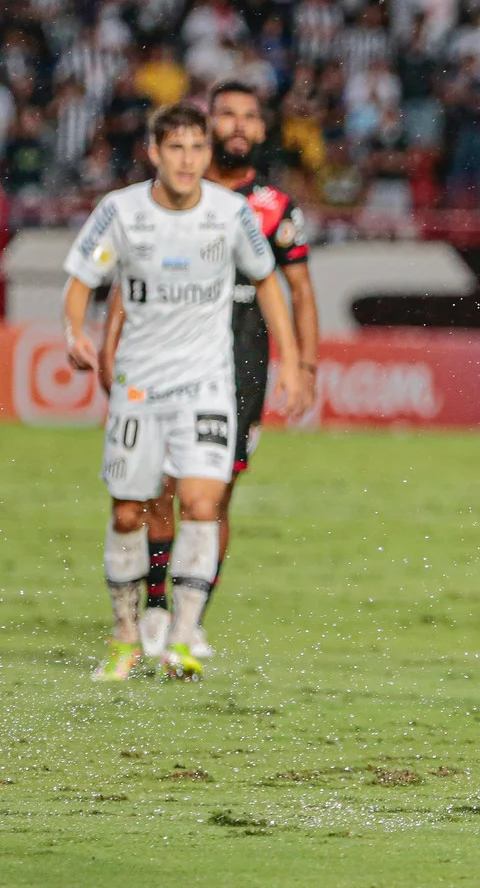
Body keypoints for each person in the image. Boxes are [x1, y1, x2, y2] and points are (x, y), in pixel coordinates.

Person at [61, 103, 310, 682]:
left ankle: (183, 636)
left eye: (196, 148)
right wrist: (76, 334)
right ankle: (125, 634)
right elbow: (82, 282)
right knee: (128, 512)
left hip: (207, 383)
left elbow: (270, 283)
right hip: (140, 386)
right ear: (154, 152)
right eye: (175, 149)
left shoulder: (230, 213)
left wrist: (293, 362)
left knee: (202, 503)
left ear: (205, 152)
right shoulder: (120, 212)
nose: (187, 160)